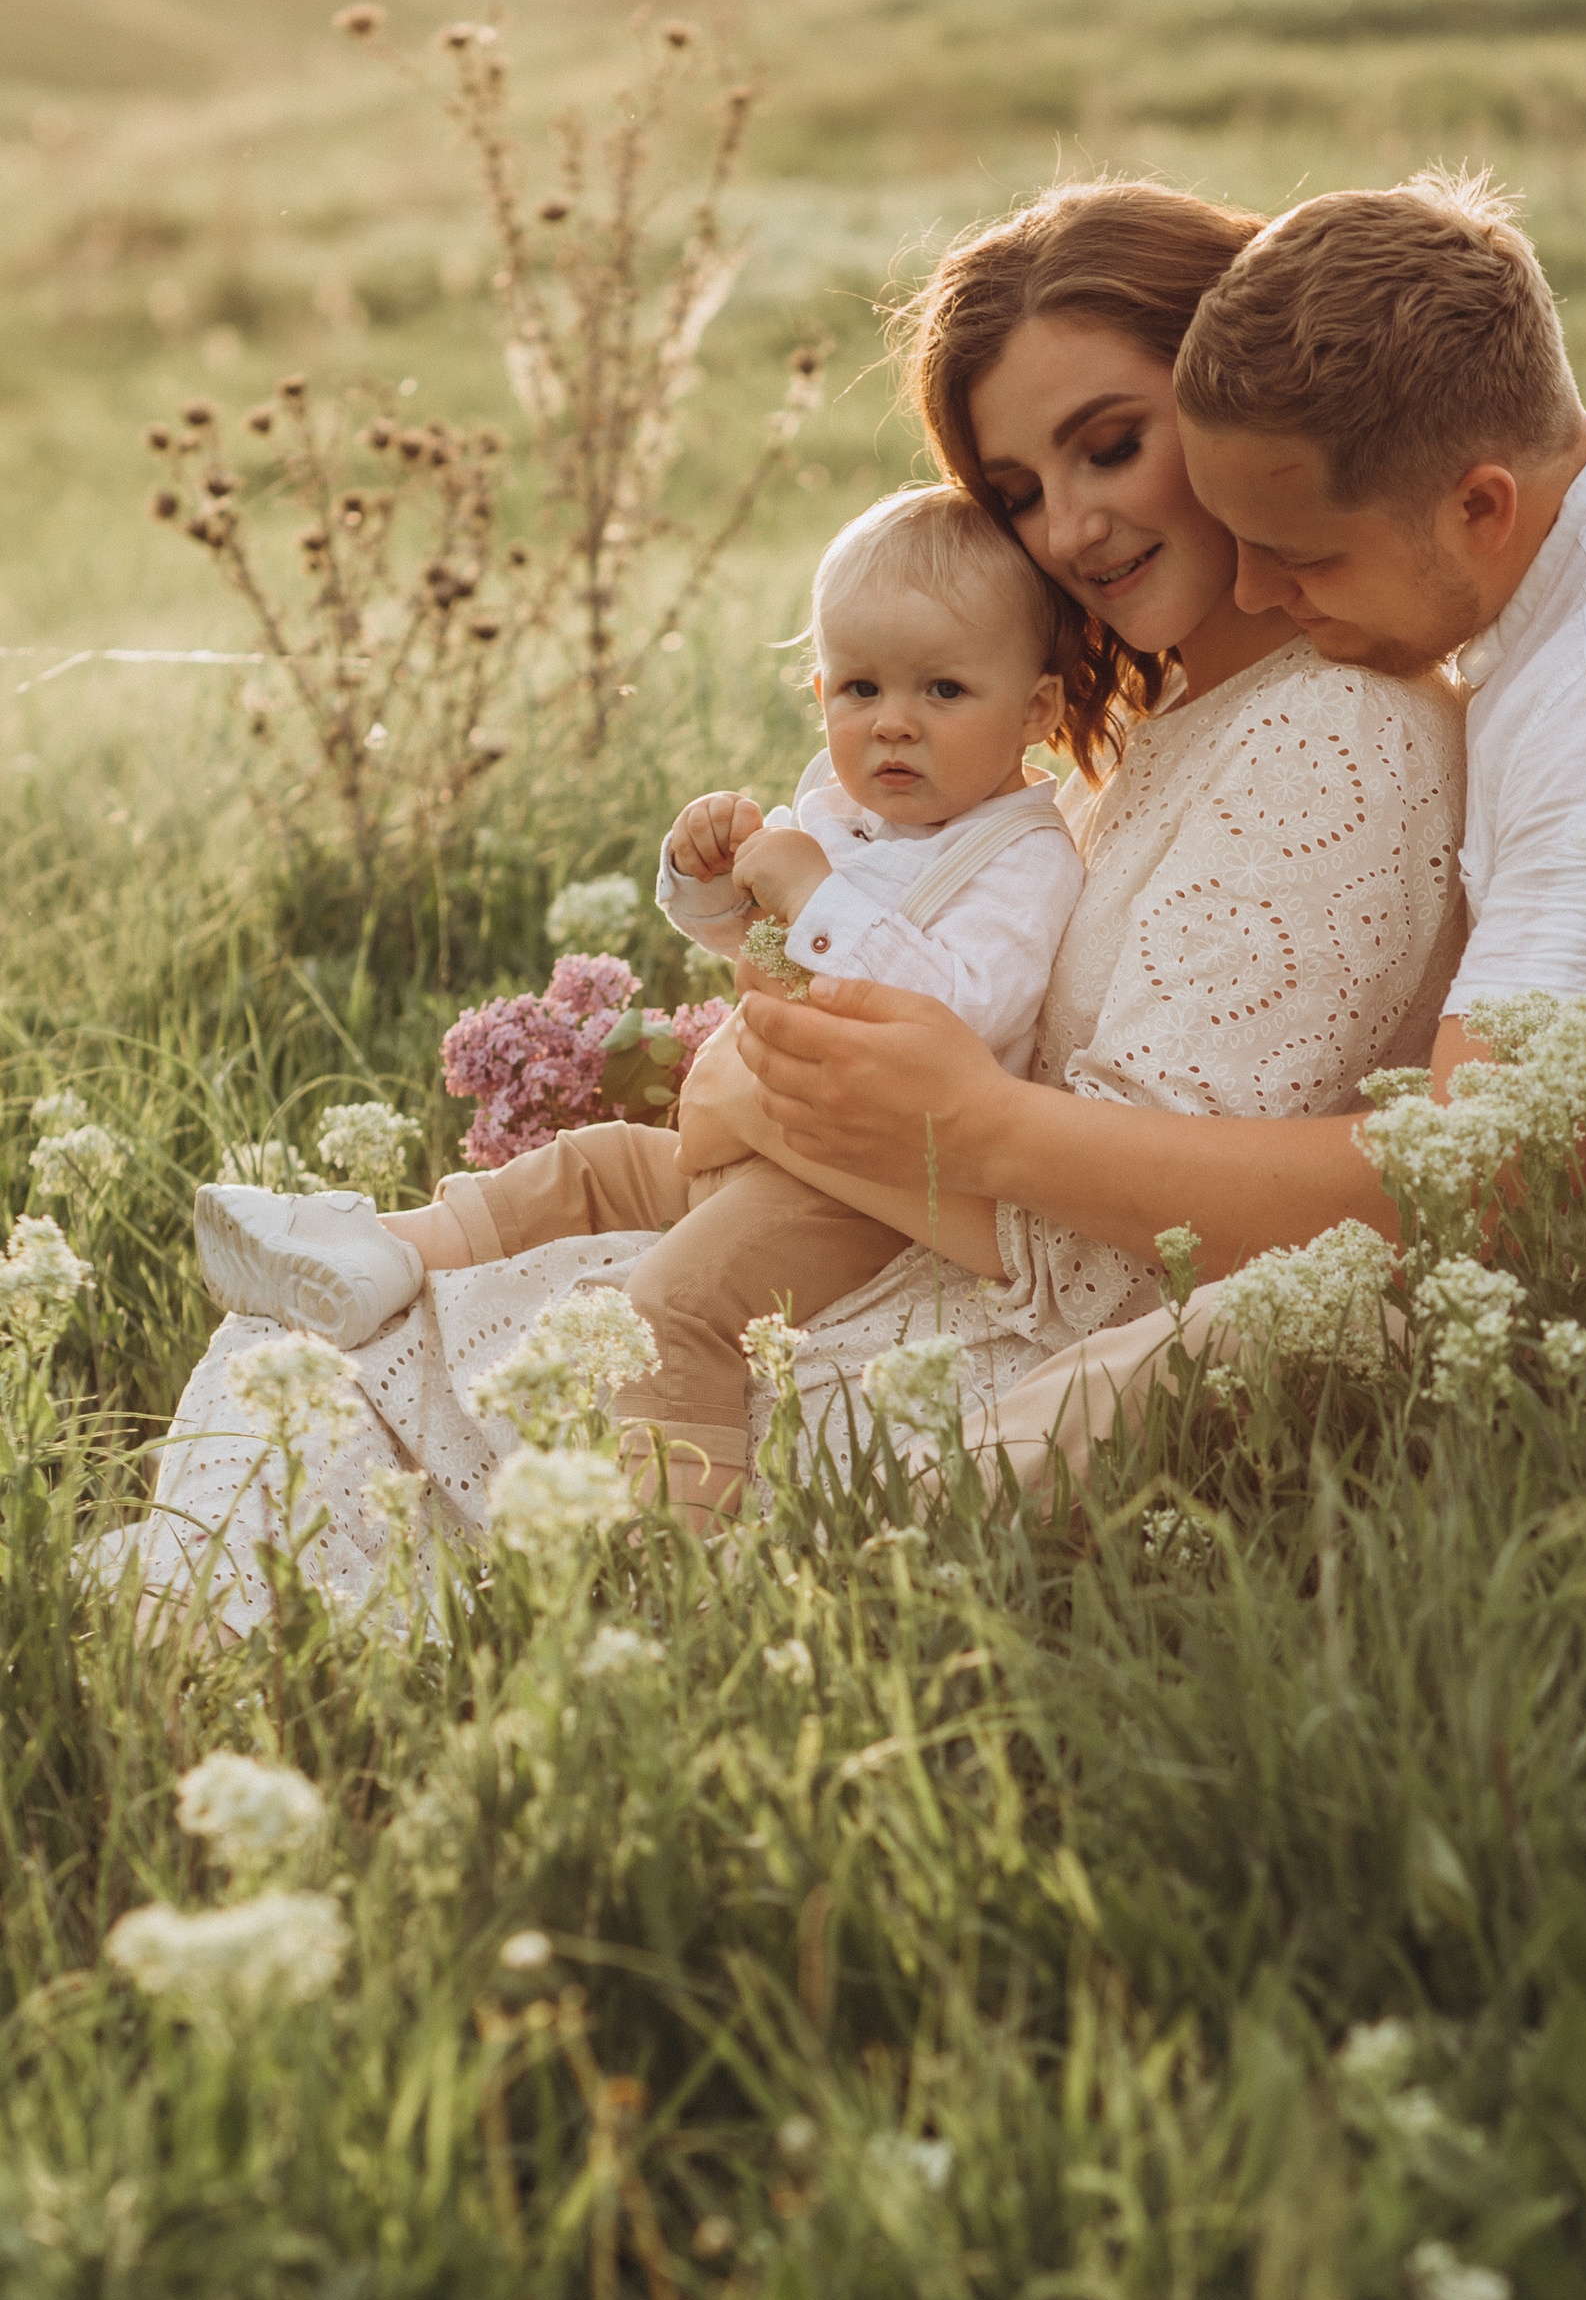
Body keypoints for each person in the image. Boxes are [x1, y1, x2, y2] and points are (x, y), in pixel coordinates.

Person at [114, 182, 1465, 1620]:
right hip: (910, 1244)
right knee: (320, 1360)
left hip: (1014, 1349)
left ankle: (604, 1615)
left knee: (397, 1387)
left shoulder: (1336, 735)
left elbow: (1140, 1270)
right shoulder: (1152, 729)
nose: (1066, 529)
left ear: (1234, 393)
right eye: (1014, 492)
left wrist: (763, 1104)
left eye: (1112, 447)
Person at [732, 170, 1586, 1298]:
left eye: (1299, 558)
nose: (1255, 595)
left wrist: (978, 1129)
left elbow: (1480, 1182)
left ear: (1478, 505)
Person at [190, 486, 1086, 1525]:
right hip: (770, 1140)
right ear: (818, 691)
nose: (892, 722)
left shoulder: (1021, 858)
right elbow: (748, 939)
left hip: (868, 1188)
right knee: (589, 1167)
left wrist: (814, 894)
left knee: (674, 1303)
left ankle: (682, 1546)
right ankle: (376, 1255)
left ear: (1036, 712)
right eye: (858, 688)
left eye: (942, 689)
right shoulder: (854, 816)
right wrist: (708, 877)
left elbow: (964, 1013)